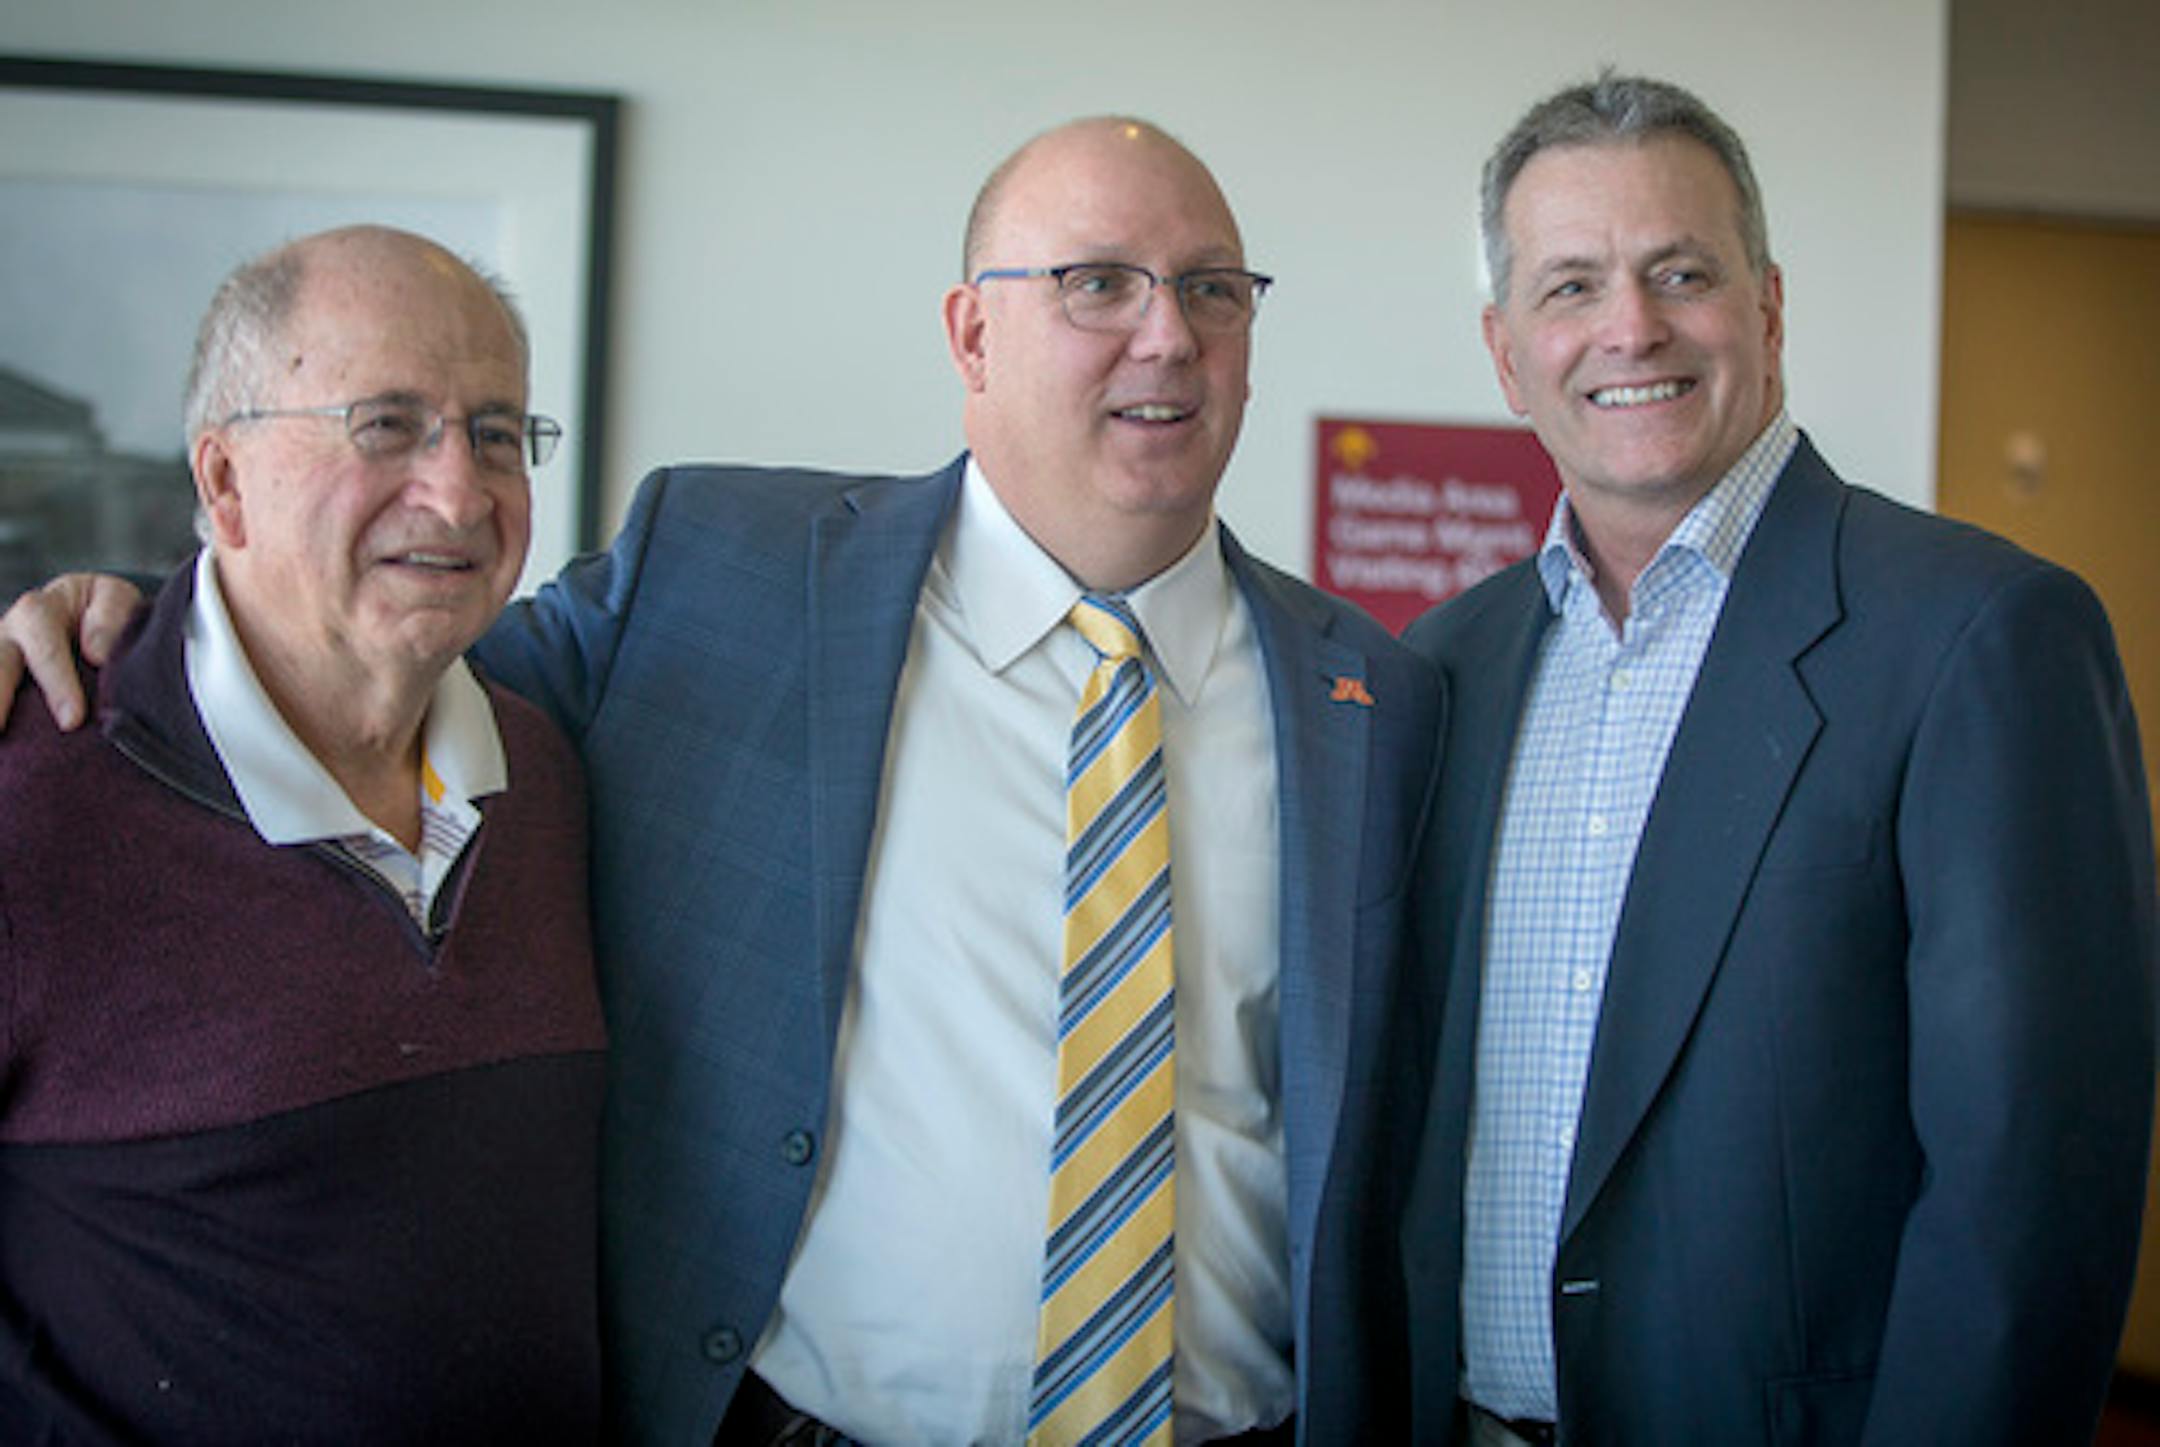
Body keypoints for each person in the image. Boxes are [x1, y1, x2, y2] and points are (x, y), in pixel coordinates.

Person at [2, 119, 1443, 1444]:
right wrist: (126, 618)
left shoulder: (1373, 701)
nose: (1166, 338)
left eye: (1214, 291)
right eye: (1096, 283)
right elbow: (376, 642)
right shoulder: (720, 573)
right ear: (971, 330)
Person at [1398, 71, 2158, 1446]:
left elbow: (2031, 1198)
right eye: (1570, 285)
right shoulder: (1443, 667)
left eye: (1679, 270)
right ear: (1508, 355)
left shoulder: (1978, 636)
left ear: (1770, 307)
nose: (1630, 325)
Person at [0, 226, 607, 1441]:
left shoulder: (543, 772)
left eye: (496, 432)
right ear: (223, 482)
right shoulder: (33, 794)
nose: (459, 491)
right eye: (386, 424)